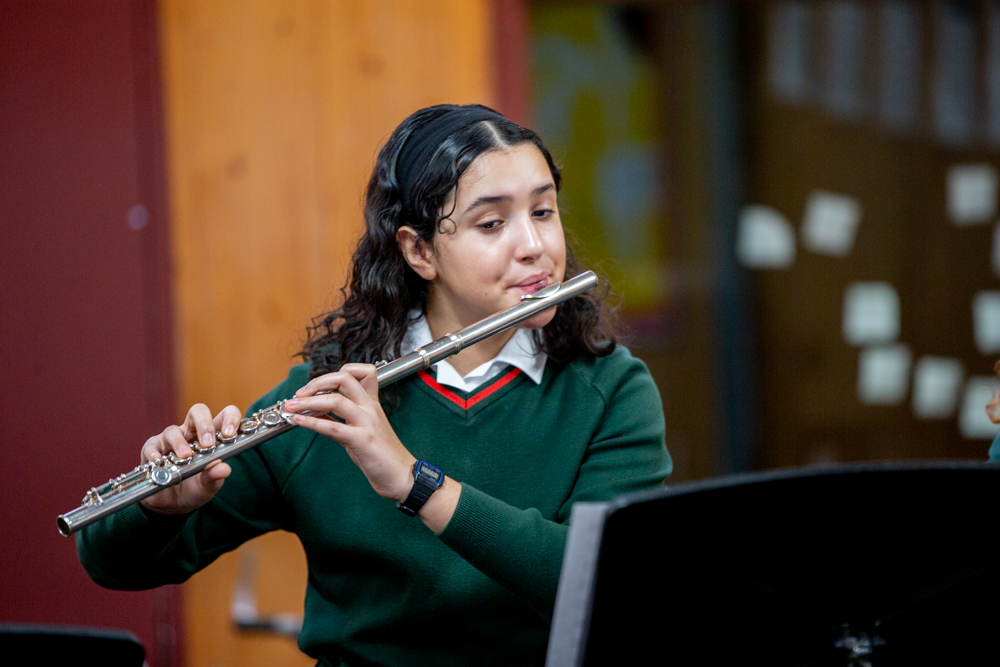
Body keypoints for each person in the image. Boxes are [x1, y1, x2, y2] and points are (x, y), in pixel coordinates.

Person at [77, 104, 672, 667]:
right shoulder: (338, 398)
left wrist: (416, 483)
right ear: (419, 251)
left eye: (543, 212)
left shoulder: (611, 391)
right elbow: (113, 564)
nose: (537, 247)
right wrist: (160, 508)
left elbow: (607, 583)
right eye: (492, 223)